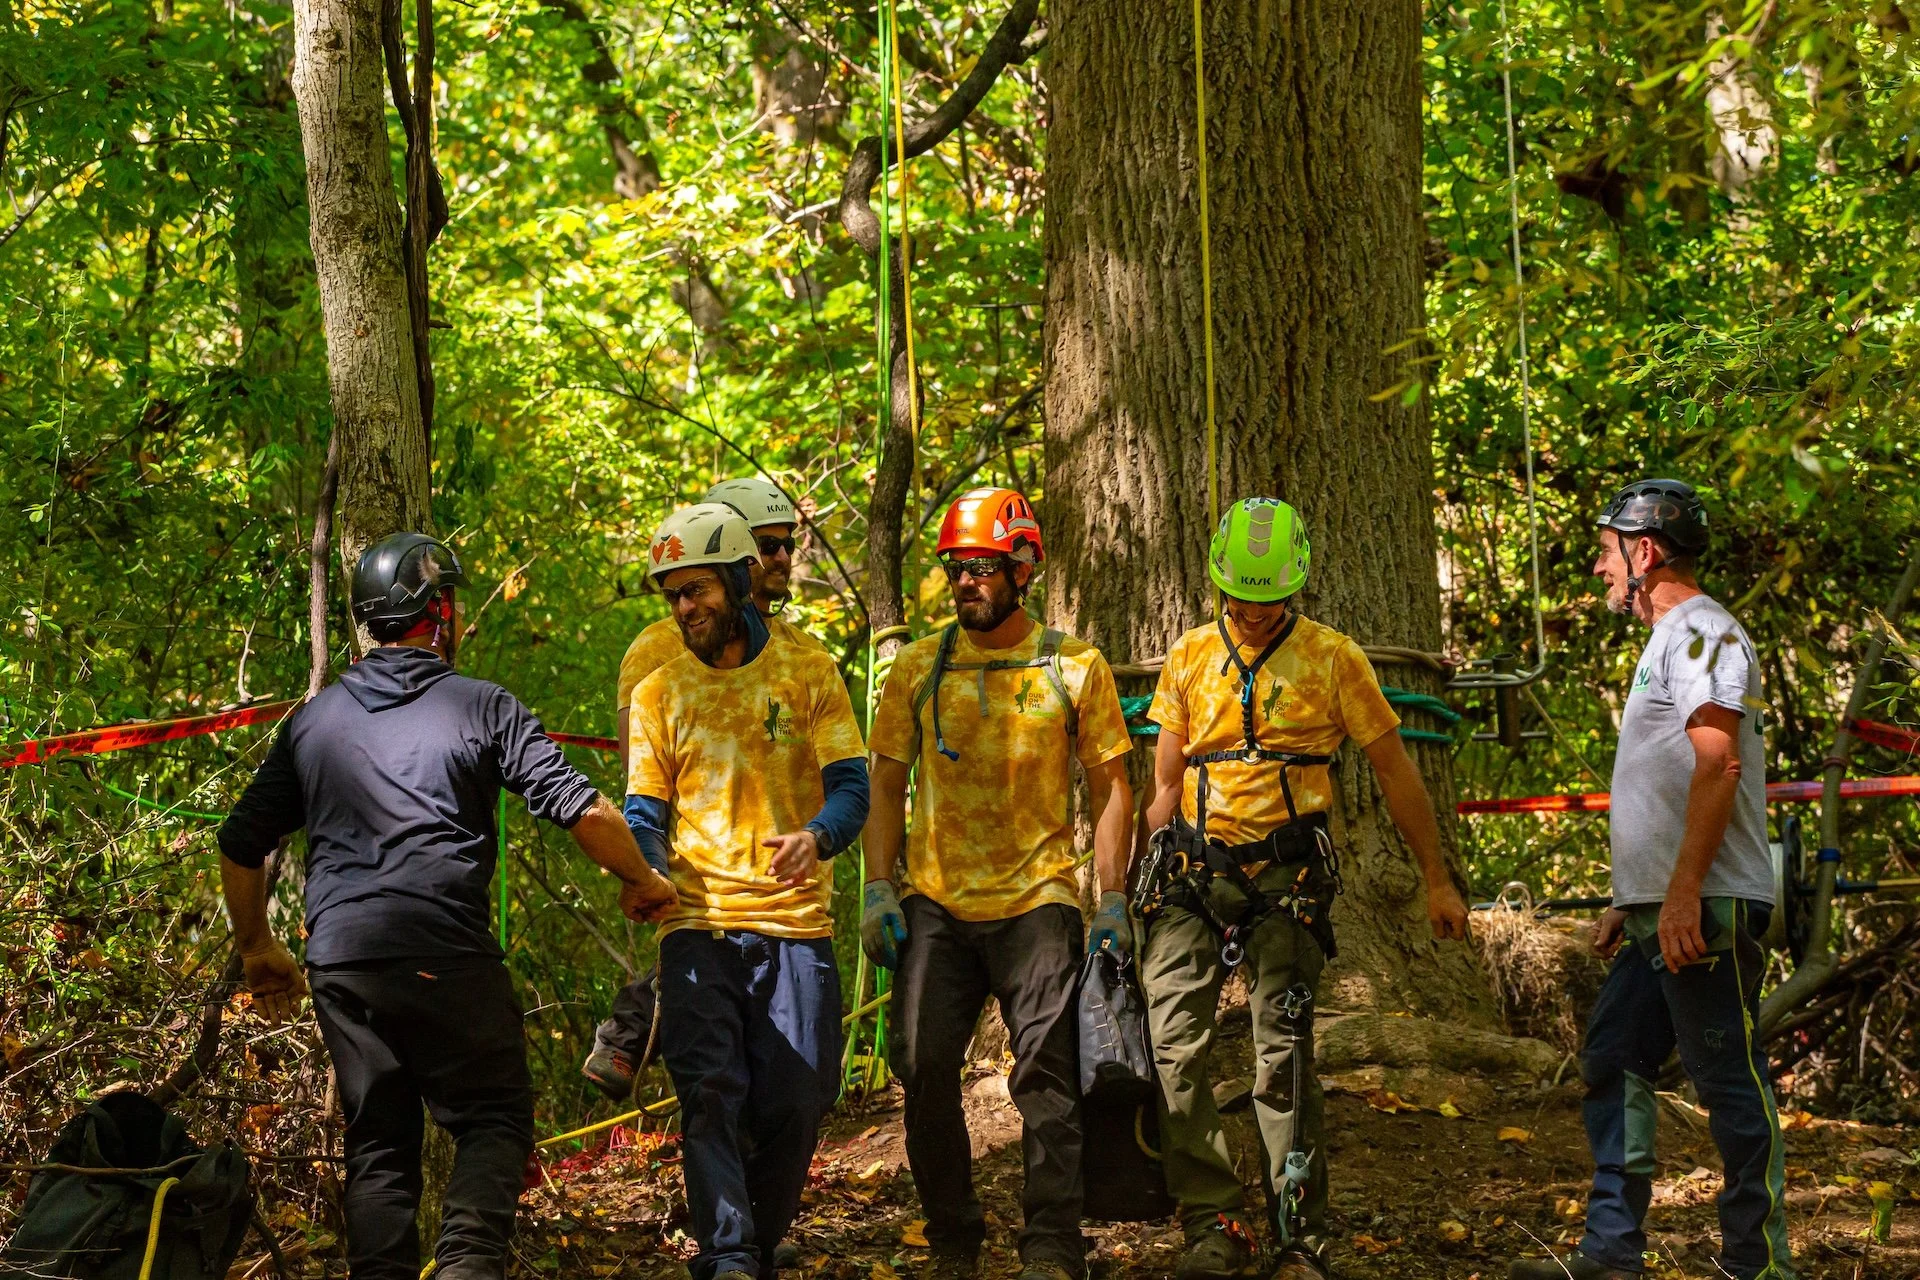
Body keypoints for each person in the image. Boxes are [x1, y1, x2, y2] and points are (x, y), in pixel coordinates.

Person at [216, 532, 676, 1280]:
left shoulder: (314, 720)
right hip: (443, 949)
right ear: (440, 613)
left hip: (342, 961)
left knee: (379, 1143)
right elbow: (584, 810)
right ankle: (466, 1265)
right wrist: (643, 879)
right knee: (495, 1117)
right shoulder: (482, 706)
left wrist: (257, 948)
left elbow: (240, 844)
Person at [1138, 498, 1470, 1280]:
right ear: (1218, 582)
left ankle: (1300, 1233)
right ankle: (1212, 1220)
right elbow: (1164, 783)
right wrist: (1122, 892)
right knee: (1172, 1048)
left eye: (1270, 598)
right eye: (1240, 596)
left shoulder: (1333, 658)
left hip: (1287, 882)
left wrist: (1438, 879)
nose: (1254, 612)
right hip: (1193, 876)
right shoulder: (1189, 655)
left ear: (1296, 586)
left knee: (1281, 1055)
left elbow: (1395, 770)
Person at [1509, 480, 1793, 1280]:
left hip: (1701, 908)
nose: (1600, 569)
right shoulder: (1670, 639)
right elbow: (1666, 784)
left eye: (1606, 552)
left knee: (1727, 1079)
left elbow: (1718, 763)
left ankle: (1759, 1263)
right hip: (1661, 909)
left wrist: (1680, 895)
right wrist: (1631, 898)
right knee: (1614, 1058)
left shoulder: (1704, 633)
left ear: (1644, 552)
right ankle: (1611, 1252)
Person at [861, 488, 1136, 1280]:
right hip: (936, 901)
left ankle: (1052, 1244)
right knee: (920, 1066)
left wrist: (1111, 896)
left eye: (980, 567)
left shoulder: (1074, 665)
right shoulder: (919, 666)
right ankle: (953, 1239)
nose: (964, 582)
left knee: (1047, 1073)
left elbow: (1111, 786)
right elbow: (885, 781)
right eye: (954, 568)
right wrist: (878, 888)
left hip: (1038, 900)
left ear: (1023, 568)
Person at [626, 503, 870, 1280]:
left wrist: (817, 837)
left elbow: (852, 787)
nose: (683, 608)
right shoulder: (659, 692)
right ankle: (727, 1255)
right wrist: (645, 870)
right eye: (672, 596)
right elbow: (643, 814)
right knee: (710, 1094)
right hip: (695, 922)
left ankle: (756, 1243)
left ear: (737, 579)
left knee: (798, 1100)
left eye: (695, 590)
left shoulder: (809, 670)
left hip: (795, 921)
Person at [584, 475, 828, 1099]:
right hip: (696, 883)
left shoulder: (798, 652)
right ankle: (631, 1026)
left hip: (789, 899)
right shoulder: (661, 649)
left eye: (787, 544)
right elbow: (641, 772)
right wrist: (651, 866)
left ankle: (632, 1024)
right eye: (766, 545)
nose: (781, 558)